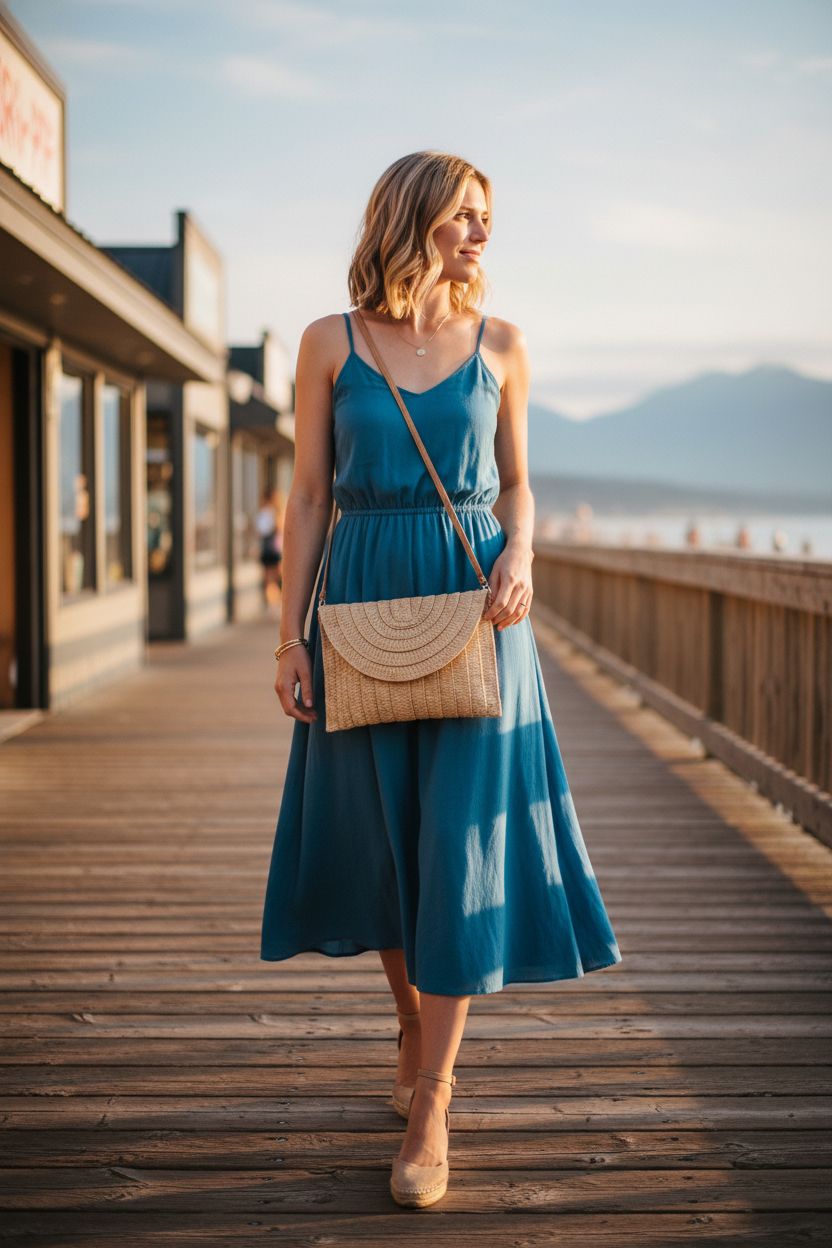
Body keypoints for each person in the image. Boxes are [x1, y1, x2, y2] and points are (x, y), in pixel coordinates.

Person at [259, 150, 621, 1208]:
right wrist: (288, 639)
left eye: (486, 220)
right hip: (360, 599)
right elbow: (311, 495)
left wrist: (522, 554)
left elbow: (517, 485)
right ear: (414, 218)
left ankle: (433, 1103)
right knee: (378, 837)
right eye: (465, 216)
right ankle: (410, 1019)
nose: (479, 237)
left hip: (476, 610)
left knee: (460, 845)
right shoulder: (331, 343)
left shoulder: (502, 345)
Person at [256, 487, 283, 606]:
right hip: (270, 550)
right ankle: (271, 602)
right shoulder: (266, 513)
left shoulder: (275, 512)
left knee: (276, 576)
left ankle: (274, 601)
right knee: (271, 578)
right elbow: (263, 530)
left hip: (275, 549)